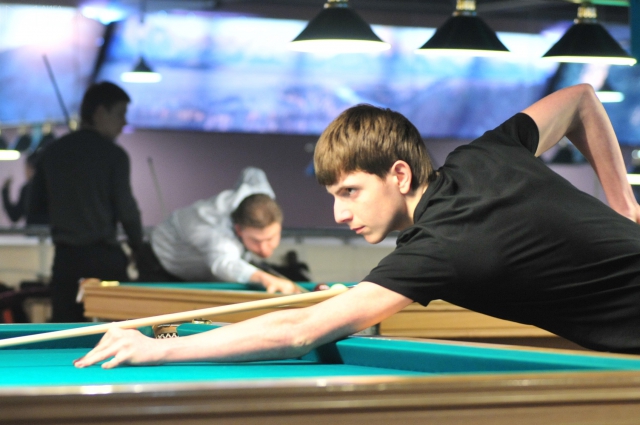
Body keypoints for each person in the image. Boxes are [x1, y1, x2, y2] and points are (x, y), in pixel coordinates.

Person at [75, 83, 640, 369]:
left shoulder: (438, 245)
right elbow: (580, 101)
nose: (339, 214)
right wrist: (625, 207)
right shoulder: (483, 154)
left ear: (399, 174)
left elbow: (298, 331)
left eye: (349, 192)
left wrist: (160, 349)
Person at [29, 82, 143, 323]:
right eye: (120, 113)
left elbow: (34, 211)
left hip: (66, 262)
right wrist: (139, 249)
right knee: (118, 329)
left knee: (65, 333)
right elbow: (127, 211)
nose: (124, 122)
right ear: (100, 112)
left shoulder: (52, 152)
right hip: (105, 262)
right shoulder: (115, 155)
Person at [136, 167, 299, 294]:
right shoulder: (216, 233)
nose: (264, 249)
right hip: (159, 264)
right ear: (239, 230)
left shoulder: (260, 196)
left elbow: (253, 172)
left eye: (270, 238)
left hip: (196, 263)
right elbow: (224, 263)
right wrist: (264, 278)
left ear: (279, 226)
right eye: (256, 241)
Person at [2, 153, 48, 226]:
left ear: (30, 168)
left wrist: (5, 190)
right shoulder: (50, 188)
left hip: (33, 231)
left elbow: (14, 216)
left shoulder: (27, 189)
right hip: (49, 230)